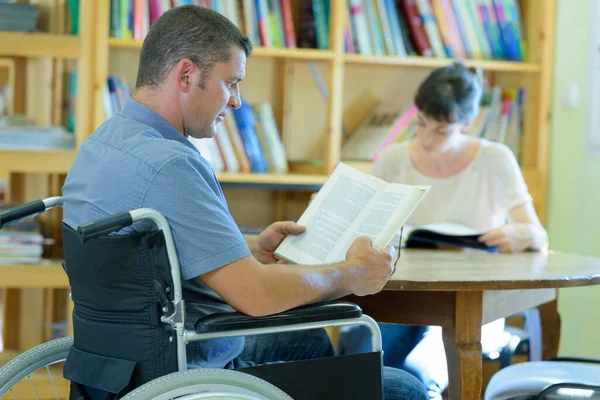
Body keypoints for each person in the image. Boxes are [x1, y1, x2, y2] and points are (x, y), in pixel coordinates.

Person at [61, 5, 427, 400]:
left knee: (307, 341)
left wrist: (247, 249)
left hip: (117, 370)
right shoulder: (172, 164)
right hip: (186, 374)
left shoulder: (104, 141)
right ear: (186, 75)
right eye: (231, 83)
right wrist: (352, 274)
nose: (236, 101)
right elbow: (256, 295)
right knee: (405, 388)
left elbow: (145, 255)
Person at [337, 62, 549, 399]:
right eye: (420, 124)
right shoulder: (393, 158)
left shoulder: (494, 159)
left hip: (465, 300)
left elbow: (538, 236)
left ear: (467, 123)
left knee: (420, 372)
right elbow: (362, 227)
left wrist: (519, 235)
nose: (425, 138)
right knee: (365, 354)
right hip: (397, 291)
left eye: (441, 131)